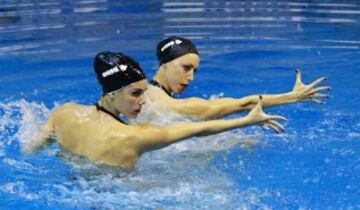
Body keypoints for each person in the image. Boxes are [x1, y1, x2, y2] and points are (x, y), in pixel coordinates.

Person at [27, 51, 286, 172]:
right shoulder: (132, 136)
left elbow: (31, 151)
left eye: (145, 92)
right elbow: (198, 129)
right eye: (136, 94)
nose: (144, 102)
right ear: (112, 93)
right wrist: (247, 121)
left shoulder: (64, 112)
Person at [145, 36, 331, 120]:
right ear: (165, 63)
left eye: (195, 71)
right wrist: (291, 97)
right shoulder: (158, 100)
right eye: (186, 68)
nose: (191, 77)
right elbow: (238, 105)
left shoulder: (151, 92)